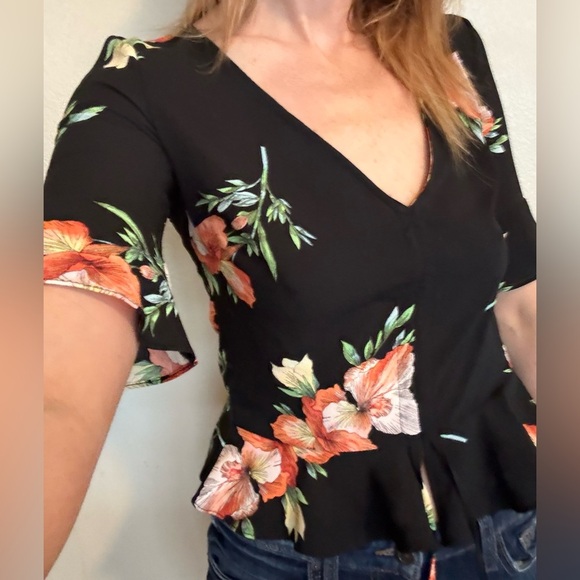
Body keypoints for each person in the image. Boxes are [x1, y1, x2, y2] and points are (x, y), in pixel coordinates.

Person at [44, 0, 537, 578]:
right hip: (301, 554)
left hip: (514, 530)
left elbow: (524, 301)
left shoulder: (448, 51)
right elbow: (53, 395)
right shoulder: (142, 89)